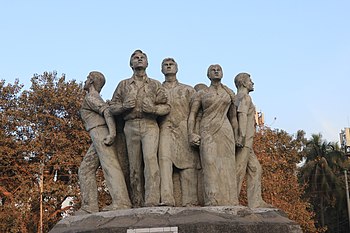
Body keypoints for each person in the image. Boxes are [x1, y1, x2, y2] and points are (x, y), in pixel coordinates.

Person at [109, 50, 170, 207]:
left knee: (150, 161)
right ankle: (137, 201)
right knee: (134, 165)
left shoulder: (155, 84)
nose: (139, 60)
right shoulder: (123, 85)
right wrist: (123, 107)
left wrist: (154, 110)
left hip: (150, 124)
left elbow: (167, 107)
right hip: (130, 126)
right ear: (131, 64)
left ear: (147, 63)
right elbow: (112, 108)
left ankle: (152, 200)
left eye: (142, 58)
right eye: (135, 58)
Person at [77, 71, 131, 215]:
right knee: (85, 170)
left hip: (101, 133)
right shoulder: (92, 97)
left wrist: (112, 133)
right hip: (96, 134)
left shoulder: (91, 97)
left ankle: (122, 202)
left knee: (110, 166)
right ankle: (89, 206)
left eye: (87, 78)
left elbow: (107, 111)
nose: (85, 81)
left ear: (92, 82)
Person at [188, 64, 239, 206]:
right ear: (208, 75)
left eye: (219, 69)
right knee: (209, 162)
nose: (216, 71)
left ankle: (230, 200)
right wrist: (191, 133)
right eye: (213, 70)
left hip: (225, 129)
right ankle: (212, 199)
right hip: (207, 129)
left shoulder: (229, 93)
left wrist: (237, 135)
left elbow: (233, 117)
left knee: (227, 164)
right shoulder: (202, 93)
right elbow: (192, 114)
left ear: (222, 73)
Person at [158, 58, 200, 207]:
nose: (168, 67)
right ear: (162, 69)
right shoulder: (157, 88)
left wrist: (194, 132)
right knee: (164, 162)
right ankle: (167, 198)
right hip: (165, 129)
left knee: (189, 164)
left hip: (184, 129)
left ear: (177, 68)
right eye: (165, 65)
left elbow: (197, 113)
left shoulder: (188, 89)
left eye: (171, 64)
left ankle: (191, 200)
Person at [234, 72, 272, 208]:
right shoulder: (244, 97)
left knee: (255, 168)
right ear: (244, 83)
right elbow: (242, 116)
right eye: (250, 80)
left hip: (246, 142)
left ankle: (255, 201)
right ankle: (233, 199)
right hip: (244, 141)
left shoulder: (236, 97)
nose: (252, 83)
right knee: (239, 169)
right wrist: (241, 136)